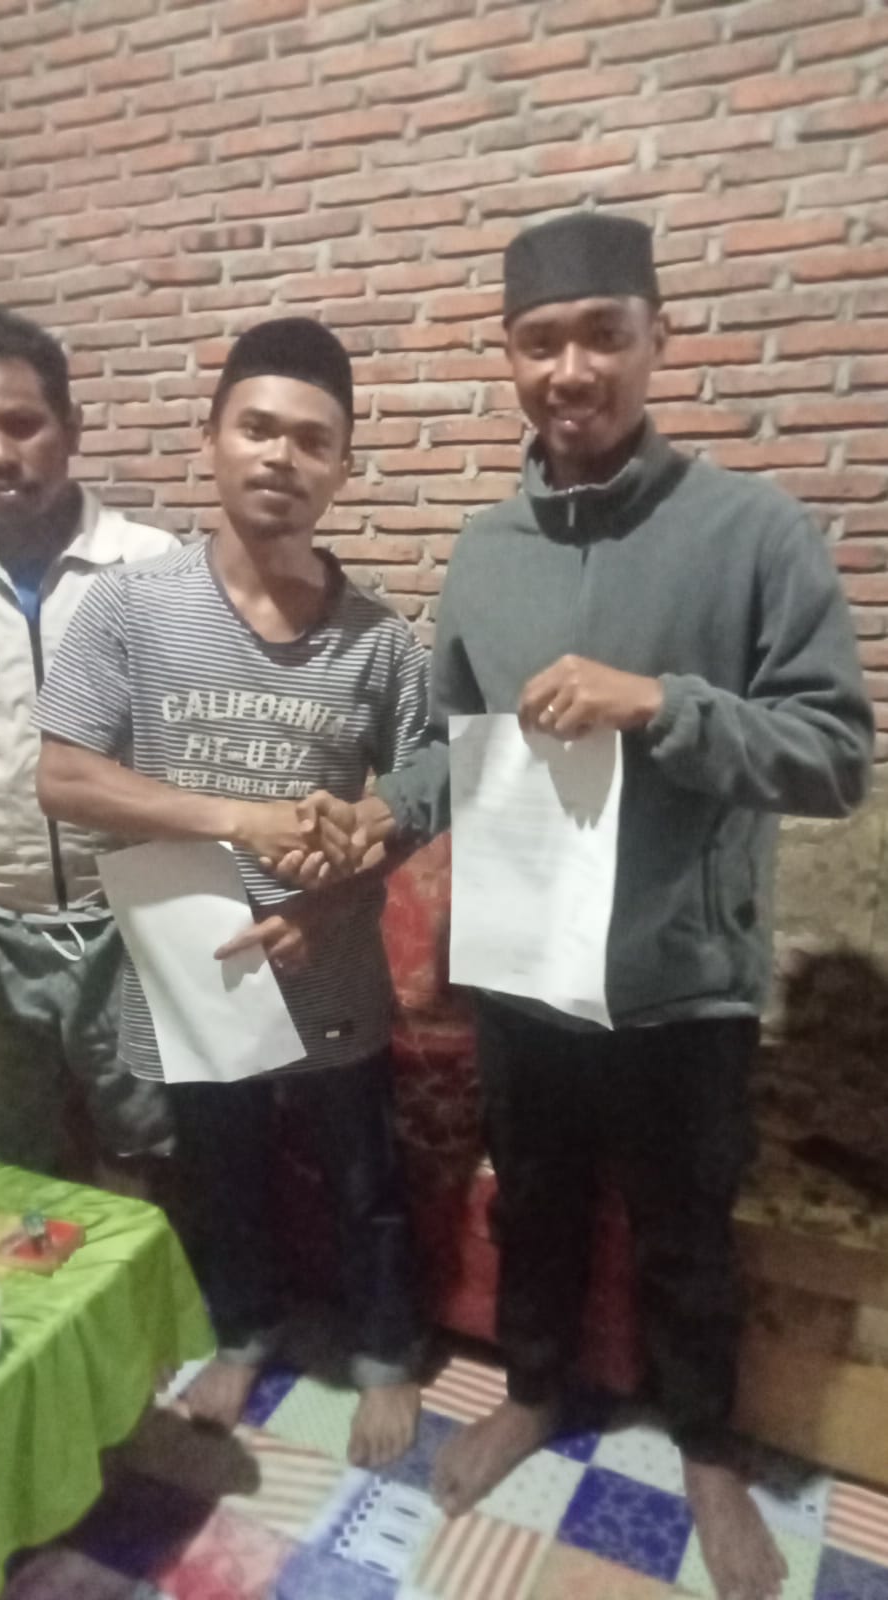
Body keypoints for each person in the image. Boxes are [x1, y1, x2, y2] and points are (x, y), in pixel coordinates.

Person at [279, 214, 874, 1600]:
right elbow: (453, 749)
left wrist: (663, 703)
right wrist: (383, 813)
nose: (571, 369)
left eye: (604, 334)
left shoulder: (754, 532)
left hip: (686, 980)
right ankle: (536, 1391)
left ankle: (706, 1444)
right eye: (540, 341)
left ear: (658, 338)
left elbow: (835, 753)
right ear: (508, 355)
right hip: (524, 969)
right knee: (537, 1206)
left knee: (685, 1230)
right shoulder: (486, 551)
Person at [34, 316, 427, 1464]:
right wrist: (241, 819)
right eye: (257, 427)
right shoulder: (133, 607)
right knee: (223, 1169)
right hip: (192, 963)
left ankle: (386, 1354)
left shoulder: (380, 641)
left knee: (366, 1179)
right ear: (210, 439)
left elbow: (420, 801)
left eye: (313, 440)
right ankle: (245, 1331)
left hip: (330, 962)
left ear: (342, 468)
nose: (281, 457)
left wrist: (327, 904)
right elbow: (65, 776)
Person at [0, 306, 175, 1184]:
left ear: (71, 427)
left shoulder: (151, 568)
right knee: (17, 1166)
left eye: (22, 424)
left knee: (149, 1155)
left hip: (128, 923)